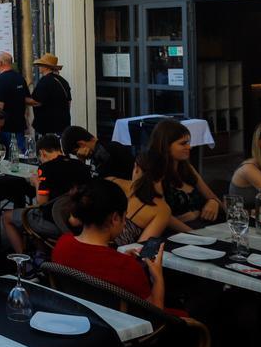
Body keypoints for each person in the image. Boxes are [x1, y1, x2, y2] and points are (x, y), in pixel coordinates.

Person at [51, 179, 168, 311]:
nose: (125, 223)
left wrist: (118, 257)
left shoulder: (62, 244)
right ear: (115, 218)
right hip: (121, 327)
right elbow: (155, 314)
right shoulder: (127, 267)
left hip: (76, 317)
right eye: (125, 217)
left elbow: (92, 263)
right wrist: (157, 277)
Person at [150, 119, 221, 232]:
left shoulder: (187, 169)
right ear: (166, 146)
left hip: (204, 227)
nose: (189, 147)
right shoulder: (155, 175)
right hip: (179, 233)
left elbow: (212, 197)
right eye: (183, 143)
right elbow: (163, 217)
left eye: (188, 142)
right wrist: (195, 234)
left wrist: (213, 202)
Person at [107, 152, 173, 245]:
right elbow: (140, 248)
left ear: (136, 168)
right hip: (115, 255)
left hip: (85, 244)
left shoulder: (111, 182)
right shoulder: (161, 209)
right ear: (162, 176)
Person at [0, 52, 33, 153]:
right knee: (23, 154)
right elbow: (27, 99)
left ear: (0, 63)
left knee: (8, 155)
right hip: (19, 124)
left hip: (5, 127)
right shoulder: (20, 78)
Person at [63, 125, 133, 180]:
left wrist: (82, 162)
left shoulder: (104, 153)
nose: (78, 155)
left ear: (81, 144)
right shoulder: (100, 152)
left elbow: (97, 184)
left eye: (76, 153)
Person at [29, 53, 72, 136]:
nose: (39, 67)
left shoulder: (45, 81)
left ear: (46, 67)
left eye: (41, 65)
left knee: (48, 148)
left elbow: (37, 102)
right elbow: (69, 102)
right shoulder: (63, 81)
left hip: (49, 127)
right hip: (63, 125)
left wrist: (20, 99)